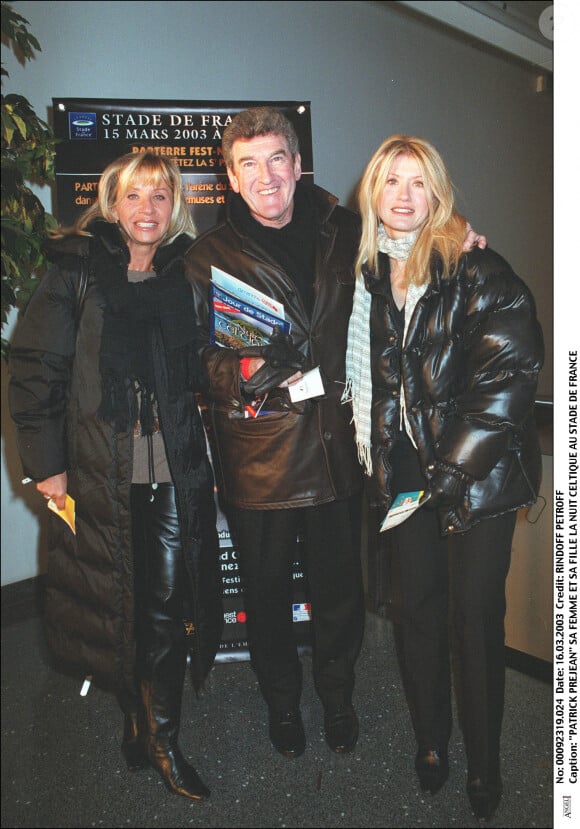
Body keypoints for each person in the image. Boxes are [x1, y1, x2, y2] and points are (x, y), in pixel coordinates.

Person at [184, 107, 485, 761]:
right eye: (248, 165)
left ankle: (337, 694)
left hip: (337, 449)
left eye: (275, 160)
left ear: (297, 166)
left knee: (339, 592)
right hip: (260, 459)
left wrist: (459, 232)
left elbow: (411, 239)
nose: (265, 177)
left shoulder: (346, 230)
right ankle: (283, 702)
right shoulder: (205, 258)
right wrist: (237, 368)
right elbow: (190, 357)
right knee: (265, 598)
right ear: (230, 179)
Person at [8, 151, 223, 802]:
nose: (148, 208)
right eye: (135, 195)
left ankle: (162, 735)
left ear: (175, 204)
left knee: (163, 600)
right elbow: (36, 367)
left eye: (161, 195)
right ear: (111, 202)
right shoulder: (77, 267)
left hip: (167, 460)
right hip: (100, 465)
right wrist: (47, 468)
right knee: (119, 604)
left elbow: (217, 353)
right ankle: (136, 715)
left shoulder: (188, 270)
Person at [343, 135, 543, 821]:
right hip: (404, 476)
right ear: (372, 193)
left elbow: (508, 377)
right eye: (390, 181)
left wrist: (452, 472)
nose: (403, 195)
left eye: (417, 182)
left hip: (474, 481)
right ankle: (432, 741)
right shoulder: (370, 276)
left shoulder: (474, 266)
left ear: (438, 193)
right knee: (418, 614)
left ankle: (485, 766)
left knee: (477, 623)